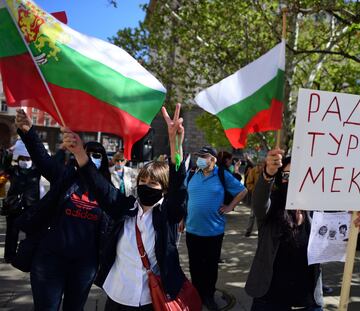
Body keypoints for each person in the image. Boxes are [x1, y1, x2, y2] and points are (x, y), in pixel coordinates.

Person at [63, 104, 189, 310]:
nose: (145, 186)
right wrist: (79, 153)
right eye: (143, 181)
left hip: (152, 297)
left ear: (164, 189)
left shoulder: (167, 214)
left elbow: (179, 192)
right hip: (118, 294)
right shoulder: (126, 207)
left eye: (153, 183)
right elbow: (101, 188)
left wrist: (176, 145)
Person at [15, 109, 112, 310]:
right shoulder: (65, 176)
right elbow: (42, 159)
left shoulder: (108, 191)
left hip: (84, 266)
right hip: (50, 260)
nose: (93, 157)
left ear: (103, 161)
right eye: (88, 153)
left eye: (98, 155)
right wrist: (28, 131)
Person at [245, 151, 360, 311]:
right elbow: (259, 204)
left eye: (298, 176)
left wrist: (351, 228)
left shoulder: (318, 208)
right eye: (287, 176)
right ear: (281, 179)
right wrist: (268, 174)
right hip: (271, 296)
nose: (292, 182)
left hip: (307, 297)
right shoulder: (272, 205)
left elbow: (336, 238)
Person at [185, 146, 247, 310]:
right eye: (198, 156)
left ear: (212, 159)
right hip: (192, 230)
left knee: (210, 266)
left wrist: (229, 207)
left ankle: (209, 295)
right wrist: (181, 218)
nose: (199, 159)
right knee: (195, 265)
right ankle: (197, 295)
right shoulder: (191, 174)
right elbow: (184, 195)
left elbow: (243, 191)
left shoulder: (221, 174)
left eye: (203, 156)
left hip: (214, 232)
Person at [3, 140, 41, 263]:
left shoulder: (36, 171)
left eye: (27, 158)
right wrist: (9, 152)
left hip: (31, 206)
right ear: (18, 159)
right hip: (14, 206)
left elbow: (47, 163)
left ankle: (28, 255)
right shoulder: (13, 170)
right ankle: (10, 256)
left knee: (31, 233)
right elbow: (4, 165)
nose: (25, 161)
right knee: (12, 233)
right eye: (22, 158)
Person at [244, 160, 265, 237]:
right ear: (258, 166)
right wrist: (256, 189)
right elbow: (248, 183)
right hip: (255, 195)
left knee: (263, 215)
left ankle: (262, 231)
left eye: (264, 166)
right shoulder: (253, 171)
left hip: (266, 196)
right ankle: (248, 230)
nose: (263, 168)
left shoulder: (267, 171)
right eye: (261, 166)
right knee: (252, 214)